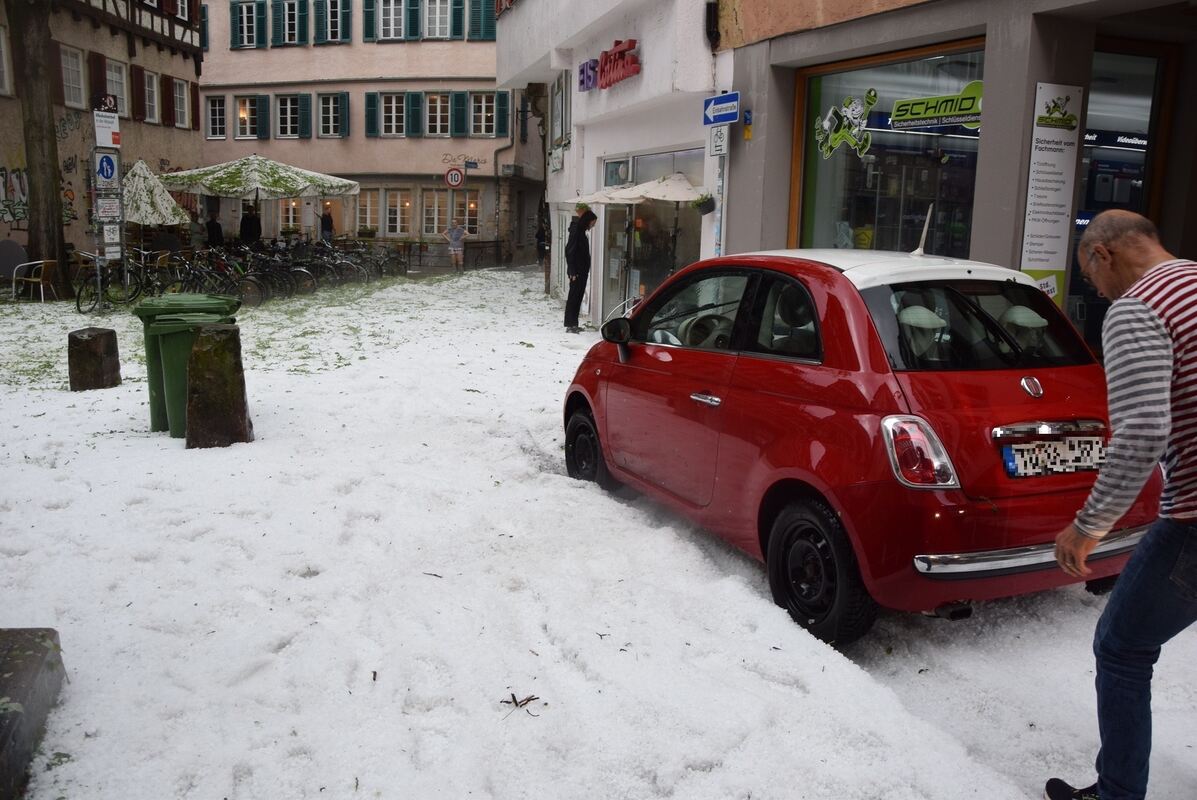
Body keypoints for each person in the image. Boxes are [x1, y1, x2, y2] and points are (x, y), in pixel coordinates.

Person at [1045, 210, 1197, 800]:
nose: (1097, 290)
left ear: (1102, 255)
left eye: (1090, 276)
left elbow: (1140, 433)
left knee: (1122, 647)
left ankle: (1117, 793)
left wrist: (1087, 528)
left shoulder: (1139, 307)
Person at [564, 204, 597, 333]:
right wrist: (572, 271)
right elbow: (569, 251)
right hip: (576, 272)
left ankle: (574, 324)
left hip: (581, 271)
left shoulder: (581, 232)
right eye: (592, 223)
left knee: (577, 297)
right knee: (574, 297)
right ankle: (570, 325)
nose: (593, 225)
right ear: (587, 221)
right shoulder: (577, 232)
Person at [536, 223, 550, 294]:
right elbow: (537, 236)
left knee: (545, 255)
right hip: (541, 245)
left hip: (544, 245)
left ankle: (543, 266)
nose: (544, 226)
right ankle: (541, 267)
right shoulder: (542, 230)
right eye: (544, 225)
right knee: (541, 256)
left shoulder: (546, 230)